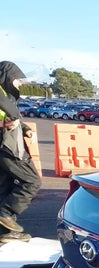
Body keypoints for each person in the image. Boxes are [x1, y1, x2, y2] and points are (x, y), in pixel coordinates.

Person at [0, 61, 41, 243]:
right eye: (17, 80)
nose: (19, 84)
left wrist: (24, 128)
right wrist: (14, 118)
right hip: (8, 148)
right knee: (31, 181)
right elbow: (9, 115)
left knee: (4, 187)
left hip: (7, 145)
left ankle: (6, 233)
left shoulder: (6, 96)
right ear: (7, 77)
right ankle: (5, 213)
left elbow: (9, 116)